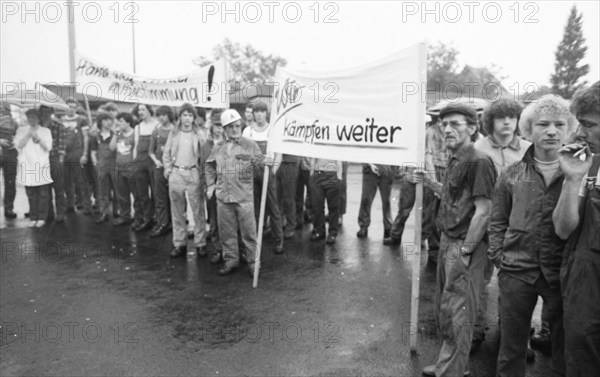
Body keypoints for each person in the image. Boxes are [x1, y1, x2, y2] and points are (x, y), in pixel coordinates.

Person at [489, 94, 576, 377]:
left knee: (565, 351)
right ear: (528, 129)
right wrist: (499, 257)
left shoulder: (581, 174)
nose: (551, 130)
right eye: (543, 124)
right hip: (516, 271)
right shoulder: (511, 174)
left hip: (561, 273)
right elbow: (497, 220)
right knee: (511, 351)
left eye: (559, 124)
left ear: (569, 128)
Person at [419, 103, 496, 377]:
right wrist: (429, 182)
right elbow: (454, 198)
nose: (447, 129)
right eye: (444, 124)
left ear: (473, 128)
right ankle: (449, 365)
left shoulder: (479, 161)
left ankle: (453, 371)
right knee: (447, 308)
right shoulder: (456, 157)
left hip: (464, 245)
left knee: (459, 312)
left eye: (455, 124)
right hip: (448, 240)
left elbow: (484, 211)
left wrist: (465, 251)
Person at [472, 99, 533, 351]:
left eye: (512, 117)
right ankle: (474, 331)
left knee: (515, 286)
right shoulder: (478, 148)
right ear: (490, 121)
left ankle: (513, 335)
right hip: (486, 223)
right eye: (501, 117)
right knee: (478, 281)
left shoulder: (530, 148)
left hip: (520, 227)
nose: (507, 122)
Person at [553, 81, 600, 376]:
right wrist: (572, 180)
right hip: (585, 283)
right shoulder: (588, 166)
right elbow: (562, 229)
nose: (580, 132)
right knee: (582, 356)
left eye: (589, 124)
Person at [205, 109, 264, 276]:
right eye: (230, 127)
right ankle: (231, 260)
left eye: (237, 126)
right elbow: (209, 166)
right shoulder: (218, 148)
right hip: (223, 197)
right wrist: (210, 185)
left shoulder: (249, 144)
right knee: (227, 232)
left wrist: (265, 162)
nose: (235, 129)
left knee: (249, 234)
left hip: (244, 198)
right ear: (224, 129)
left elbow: (260, 164)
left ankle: (254, 263)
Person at [162, 104, 207, 258]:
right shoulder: (174, 133)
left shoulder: (198, 134)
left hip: (193, 172)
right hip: (177, 173)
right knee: (177, 211)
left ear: (194, 118)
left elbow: (205, 154)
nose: (187, 118)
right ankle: (179, 243)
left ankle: (200, 243)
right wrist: (168, 170)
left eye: (190, 115)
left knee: (198, 211)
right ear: (180, 117)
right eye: (184, 115)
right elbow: (166, 153)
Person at [242, 101, 284, 254]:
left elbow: (279, 154)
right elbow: (243, 154)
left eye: (262, 112)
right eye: (256, 112)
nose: (259, 115)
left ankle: (278, 240)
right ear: (252, 114)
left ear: (267, 113)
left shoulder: (272, 130)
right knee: (254, 207)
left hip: (268, 172)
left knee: (273, 207)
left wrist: (272, 172)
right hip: (252, 172)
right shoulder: (247, 131)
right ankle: (255, 239)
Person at [14, 109, 53, 227]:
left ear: (38, 118)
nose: (31, 119)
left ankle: (41, 217)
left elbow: (48, 147)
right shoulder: (21, 130)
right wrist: (28, 135)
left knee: (42, 193)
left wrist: (38, 138)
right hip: (27, 164)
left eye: (34, 117)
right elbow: (18, 145)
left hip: (41, 164)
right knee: (30, 193)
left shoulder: (45, 131)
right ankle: (33, 217)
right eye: (29, 117)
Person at [200, 109, 225, 264]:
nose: (218, 129)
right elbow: (203, 167)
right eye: (216, 126)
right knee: (214, 220)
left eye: (221, 126)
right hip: (212, 188)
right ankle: (217, 249)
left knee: (228, 221)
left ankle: (231, 251)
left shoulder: (230, 143)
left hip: (227, 188)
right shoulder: (205, 146)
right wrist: (207, 186)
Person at [132, 103, 159, 232]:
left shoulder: (156, 125)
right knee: (142, 192)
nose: (141, 112)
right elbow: (136, 145)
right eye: (139, 110)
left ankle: (158, 219)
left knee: (156, 192)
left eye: (143, 109)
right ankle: (147, 218)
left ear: (149, 110)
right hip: (140, 161)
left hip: (153, 161)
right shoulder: (137, 127)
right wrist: (134, 160)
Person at [148, 105, 175, 238]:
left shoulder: (176, 130)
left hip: (173, 169)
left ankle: (174, 223)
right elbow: (151, 150)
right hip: (159, 168)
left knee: (175, 197)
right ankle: (162, 223)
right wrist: (156, 161)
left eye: (164, 115)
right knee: (160, 197)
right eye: (159, 115)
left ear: (169, 115)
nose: (161, 118)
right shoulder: (156, 130)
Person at [62, 98, 91, 214]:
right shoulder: (61, 120)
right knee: (67, 181)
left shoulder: (82, 120)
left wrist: (84, 154)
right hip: (64, 154)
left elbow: (86, 137)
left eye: (73, 107)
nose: (71, 109)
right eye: (69, 106)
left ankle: (87, 206)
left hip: (77, 153)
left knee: (82, 181)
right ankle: (70, 204)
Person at [39, 105, 67, 224]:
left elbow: (62, 144)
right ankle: (49, 214)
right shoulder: (37, 125)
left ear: (51, 112)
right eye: (43, 111)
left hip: (55, 158)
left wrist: (60, 160)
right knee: (45, 189)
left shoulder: (58, 125)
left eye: (47, 111)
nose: (45, 114)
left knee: (59, 188)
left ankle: (60, 213)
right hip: (41, 159)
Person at [111, 113, 139, 227]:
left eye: (121, 121)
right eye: (118, 121)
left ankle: (138, 217)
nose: (119, 123)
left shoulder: (135, 133)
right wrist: (115, 133)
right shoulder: (118, 133)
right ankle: (125, 216)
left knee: (136, 194)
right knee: (122, 194)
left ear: (128, 122)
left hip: (131, 168)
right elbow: (112, 147)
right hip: (119, 167)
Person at [90, 113, 117, 224]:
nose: (108, 122)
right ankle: (103, 212)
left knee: (117, 189)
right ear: (100, 122)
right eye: (105, 120)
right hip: (101, 164)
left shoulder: (116, 133)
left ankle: (117, 211)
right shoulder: (95, 136)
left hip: (114, 164)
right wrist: (96, 165)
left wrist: (116, 133)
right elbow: (93, 153)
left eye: (110, 120)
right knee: (102, 190)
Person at [310, 157, 344, 244]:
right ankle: (319, 231)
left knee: (333, 207)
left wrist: (339, 178)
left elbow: (339, 157)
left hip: (332, 174)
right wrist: (312, 175)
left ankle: (332, 233)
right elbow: (313, 157)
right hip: (318, 174)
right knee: (317, 206)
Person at [356, 163, 394, 239]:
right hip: (370, 168)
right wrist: (370, 164)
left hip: (386, 167)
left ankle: (388, 227)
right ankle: (363, 225)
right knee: (366, 199)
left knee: (386, 201)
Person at [0, 103, 19, 219]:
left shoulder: (14, 123)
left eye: (6, 109)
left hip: (11, 153)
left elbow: (17, 135)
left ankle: (9, 208)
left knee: (10, 183)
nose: (4, 111)